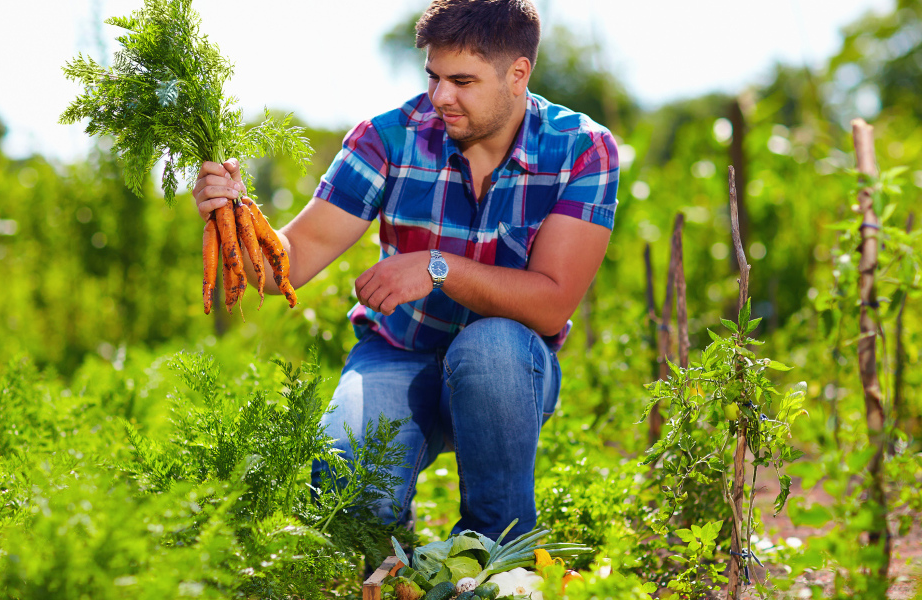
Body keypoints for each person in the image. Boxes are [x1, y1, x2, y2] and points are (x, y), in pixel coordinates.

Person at [191, 0, 619, 541]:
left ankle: (494, 551)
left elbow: (552, 303)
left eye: (462, 80)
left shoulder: (582, 149)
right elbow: (283, 268)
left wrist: (437, 268)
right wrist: (232, 215)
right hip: (397, 352)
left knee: (490, 349)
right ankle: (390, 542)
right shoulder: (388, 137)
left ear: (518, 74)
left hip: (509, 370)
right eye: (434, 77)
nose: (442, 97)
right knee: (350, 499)